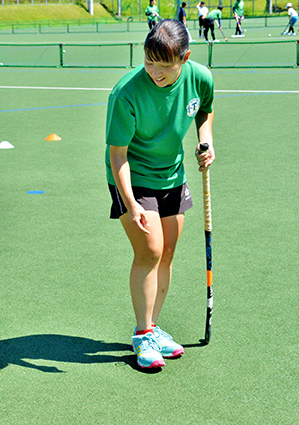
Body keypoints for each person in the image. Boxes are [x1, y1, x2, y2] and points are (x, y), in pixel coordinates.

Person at [105, 19, 215, 369]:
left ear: (185, 58)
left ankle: (153, 328)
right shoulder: (126, 93)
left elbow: (205, 111)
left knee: (166, 252)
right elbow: (118, 154)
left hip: (173, 173)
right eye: (149, 61)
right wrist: (131, 201)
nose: (155, 71)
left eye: (165, 65)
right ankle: (142, 335)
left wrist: (206, 140)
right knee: (150, 250)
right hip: (132, 177)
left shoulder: (200, 77)